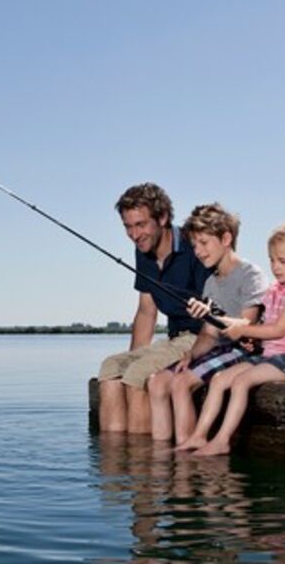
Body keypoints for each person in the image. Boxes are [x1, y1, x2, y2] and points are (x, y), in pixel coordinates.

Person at [179, 222, 285, 456]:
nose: (275, 267)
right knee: (219, 379)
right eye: (272, 260)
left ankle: (222, 440)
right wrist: (230, 325)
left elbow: (279, 330)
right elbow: (260, 326)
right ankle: (199, 435)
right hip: (268, 357)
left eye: (282, 261)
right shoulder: (275, 289)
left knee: (241, 382)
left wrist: (244, 330)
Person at [148, 203, 267, 443]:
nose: (198, 251)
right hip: (219, 350)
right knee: (156, 382)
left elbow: (246, 325)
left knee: (180, 384)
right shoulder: (210, 283)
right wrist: (191, 355)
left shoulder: (250, 275)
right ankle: (160, 457)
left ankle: (189, 451)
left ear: (226, 238)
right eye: (194, 245)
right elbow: (209, 335)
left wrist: (211, 313)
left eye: (203, 243)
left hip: (244, 351)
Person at [97, 183, 210, 434]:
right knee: (110, 368)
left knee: (138, 375)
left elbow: (219, 306)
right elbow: (146, 311)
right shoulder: (143, 252)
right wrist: (133, 358)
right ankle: (114, 457)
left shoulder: (195, 246)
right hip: (175, 339)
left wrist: (137, 369)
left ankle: (141, 458)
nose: (134, 235)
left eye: (141, 225)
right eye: (128, 226)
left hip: (203, 337)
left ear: (163, 217)